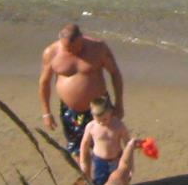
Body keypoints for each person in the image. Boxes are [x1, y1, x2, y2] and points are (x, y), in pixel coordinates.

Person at [40, 22, 125, 163]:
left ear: (82, 38)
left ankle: (115, 179)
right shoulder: (52, 52)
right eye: (67, 48)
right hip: (70, 110)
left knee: (107, 143)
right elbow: (44, 83)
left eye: (74, 48)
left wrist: (119, 104)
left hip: (100, 107)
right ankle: (87, 179)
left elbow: (115, 73)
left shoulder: (98, 48)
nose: (71, 52)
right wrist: (46, 113)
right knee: (77, 148)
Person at [77, 98, 130, 185]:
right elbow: (84, 145)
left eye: (105, 119)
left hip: (116, 159)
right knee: (100, 183)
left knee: (119, 182)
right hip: (99, 160)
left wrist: (128, 163)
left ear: (110, 112)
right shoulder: (91, 126)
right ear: (92, 115)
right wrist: (83, 162)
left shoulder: (118, 125)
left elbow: (127, 143)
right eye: (98, 120)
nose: (102, 122)